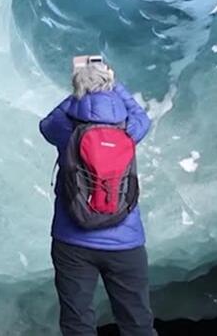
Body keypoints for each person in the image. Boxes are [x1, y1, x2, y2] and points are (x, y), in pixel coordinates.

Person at [39, 55, 156, 336]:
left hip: (72, 242)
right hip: (125, 243)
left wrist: (79, 90)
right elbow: (143, 117)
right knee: (137, 322)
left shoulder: (66, 129)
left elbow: (46, 124)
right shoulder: (129, 129)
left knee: (77, 322)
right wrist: (114, 85)